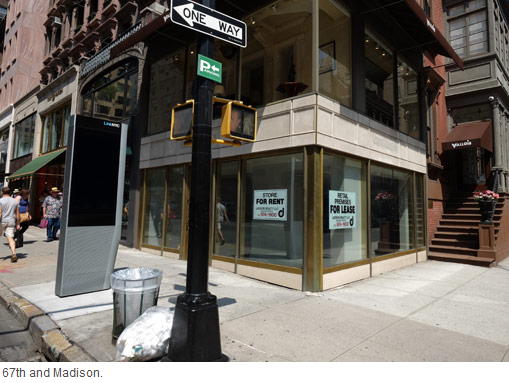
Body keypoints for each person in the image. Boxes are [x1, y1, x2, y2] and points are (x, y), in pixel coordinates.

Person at [0, 187, 20, 262]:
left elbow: (0, 212)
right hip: (11, 221)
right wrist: (18, 223)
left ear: (2, 192)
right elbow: (17, 214)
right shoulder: (15, 201)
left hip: (2, 221)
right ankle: (14, 253)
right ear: (10, 192)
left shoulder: (0, 201)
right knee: (10, 238)